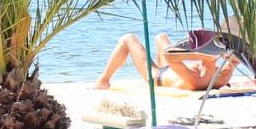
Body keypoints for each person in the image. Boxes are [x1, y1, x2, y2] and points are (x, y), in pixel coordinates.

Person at [95, 32, 236, 92]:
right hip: (173, 68)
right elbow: (236, 59)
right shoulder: (221, 77)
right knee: (160, 37)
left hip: (156, 76)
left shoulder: (196, 79)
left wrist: (196, 54)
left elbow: (169, 55)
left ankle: (103, 80)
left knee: (128, 39)